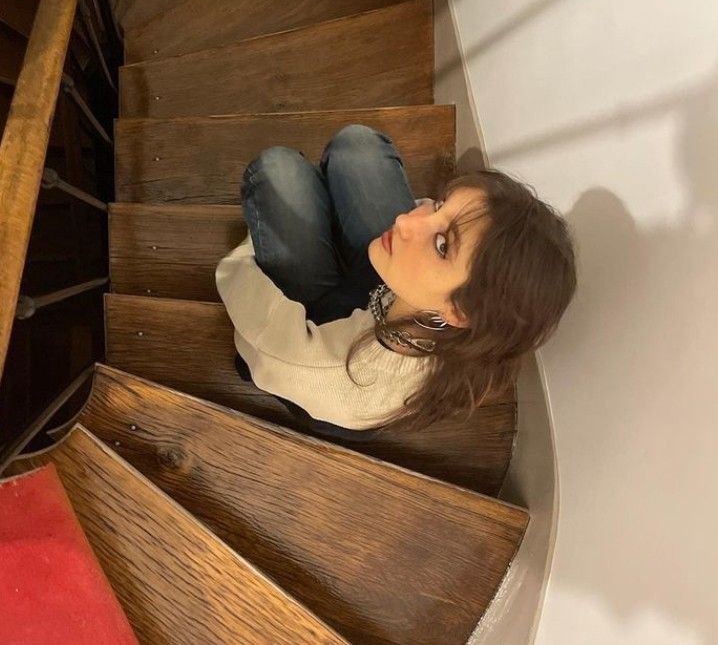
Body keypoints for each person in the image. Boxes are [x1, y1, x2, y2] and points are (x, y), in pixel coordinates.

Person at [215, 124, 577, 435]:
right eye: (438, 205)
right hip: (390, 298)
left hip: (316, 342)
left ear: (459, 311)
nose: (406, 221)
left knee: (277, 169)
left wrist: (255, 247)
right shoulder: (476, 336)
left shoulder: (317, 367)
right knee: (358, 143)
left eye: (442, 245)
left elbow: (246, 302)